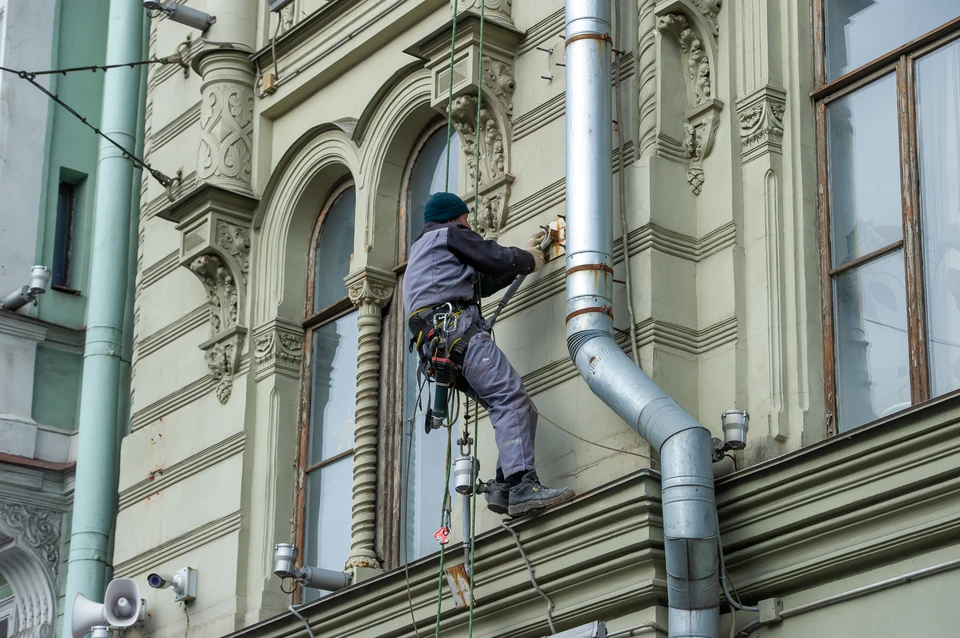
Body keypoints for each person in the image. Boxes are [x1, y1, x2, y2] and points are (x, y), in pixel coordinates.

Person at [403, 191, 576, 517]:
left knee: (519, 408)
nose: (470, 224)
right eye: (467, 218)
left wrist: (527, 257)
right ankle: (524, 485)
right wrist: (526, 258)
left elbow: (481, 282)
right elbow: (494, 257)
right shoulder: (451, 234)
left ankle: (503, 486)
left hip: (440, 347)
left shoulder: (424, 252)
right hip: (457, 332)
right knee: (510, 397)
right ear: (455, 217)